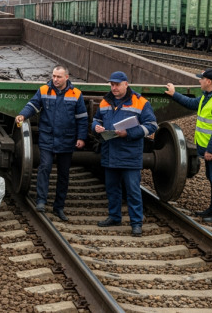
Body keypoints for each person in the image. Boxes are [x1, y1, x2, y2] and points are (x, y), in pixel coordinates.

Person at [15, 65, 88, 222]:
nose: (55, 79)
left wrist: (81, 137)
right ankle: (41, 201)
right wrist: (22, 115)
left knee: (63, 174)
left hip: (67, 139)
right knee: (44, 167)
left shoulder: (76, 94)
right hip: (47, 137)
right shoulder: (44, 90)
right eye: (54, 76)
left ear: (66, 78)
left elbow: (82, 118)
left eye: (59, 77)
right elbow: (33, 105)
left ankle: (59, 207)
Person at [92, 71, 158, 237]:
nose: (114, 88)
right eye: (112, 85)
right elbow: (96, 119)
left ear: (126, 84)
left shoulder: (140, 102)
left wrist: (128, 133)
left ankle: (136, 223)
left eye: (117, 85)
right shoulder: (105, 101)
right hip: (110, 151)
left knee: (133, 190)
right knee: (112, 188)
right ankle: (115, 217)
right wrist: (96, 127)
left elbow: (151, 125)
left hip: (130, 153)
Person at [165, 68, 212, 223]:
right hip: (211, 147)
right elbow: (191, 103)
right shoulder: (208, 96)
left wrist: (211, 150)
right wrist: (174, 94)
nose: (199, 81)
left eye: (201, 79)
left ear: (208, 81)